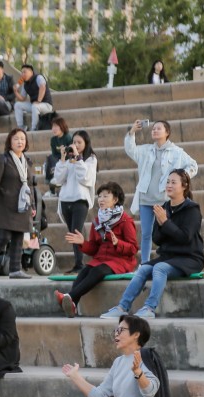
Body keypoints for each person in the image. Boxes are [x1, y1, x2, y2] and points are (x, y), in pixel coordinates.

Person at [101, 170, 203, 319]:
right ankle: (122, 307)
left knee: (160, 269)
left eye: (173, 182)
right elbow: (157, 238)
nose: (169, 185)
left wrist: (166, 223)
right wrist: (163, 223)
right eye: (167, 182)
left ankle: (149, 308)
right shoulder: (164, 207)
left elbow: (185, 238)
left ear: (184, 186)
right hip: (169, 256)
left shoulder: (192, 209)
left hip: (189, 258)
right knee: (143, 269)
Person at [56, 182, 138, 318]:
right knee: (84, 271)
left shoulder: (125, 221)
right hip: (101, 259)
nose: (101, 199)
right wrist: (83, 243)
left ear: (115, 200)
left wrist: (118, 243)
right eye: (99, 196)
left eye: (106, 196)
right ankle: (72, 303)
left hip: (120, 260)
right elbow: (94, 249)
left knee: (98, 271)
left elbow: (133, 248)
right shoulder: (97, 221)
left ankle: (69, 297)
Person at [124, 119, 198, 261]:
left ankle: (167, 258)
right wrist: (132, 132)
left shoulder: (176, 152)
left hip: (164, 200)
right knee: (146, 233)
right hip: (145, 198)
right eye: (153, 129)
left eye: (158, 128)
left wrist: (181, 178)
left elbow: (193, 165)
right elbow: (130, 150)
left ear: (167, 132)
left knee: (166, 230)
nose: (155, 131)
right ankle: (144, 263)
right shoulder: (146, 150)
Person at [0, 128, 35, 279]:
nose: (20, 142)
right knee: (4, 235)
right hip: (4, 203)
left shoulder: (27, 161)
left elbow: (30, 186)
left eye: (22, 139)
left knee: (18, 235)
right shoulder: (2, 159)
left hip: (22, 204)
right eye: (16, 139)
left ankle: (15, 269)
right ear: (10, 141)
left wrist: (33, 206)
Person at [53, 129, 98, 273]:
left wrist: (78, 158)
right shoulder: (69, 159)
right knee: (71, 233)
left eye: (79, 142)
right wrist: (62, 159)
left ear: (86, 143)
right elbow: (58, 180)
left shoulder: (90, 159)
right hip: (66, 200)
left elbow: (85, 178)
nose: (76, 145)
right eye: (74, 142)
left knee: (76, 232)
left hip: (80, 200)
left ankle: (80, 264)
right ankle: (77, 264)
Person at [13, 64, 54, 132]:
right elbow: (22, 98)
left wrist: (38, 101)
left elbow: (42, 87)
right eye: (22, 72)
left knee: (35, 106)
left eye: (24, 72)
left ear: (31, 72)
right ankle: (21, 127)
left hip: (46, 105)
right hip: (34, 106)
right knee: (17, 105)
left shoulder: (39, 77)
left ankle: (34, 128)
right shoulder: (25, 84)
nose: (23, 74)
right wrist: (16, 92)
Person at [45, 117, 73, 194]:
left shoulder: (68, 137)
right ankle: (51, 182)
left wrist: (63, 154)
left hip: (68, 159)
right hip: (59, 158)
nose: (54, 129)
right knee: (50, 157)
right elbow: (54, 154)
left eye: (56, 126)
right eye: (53, 126)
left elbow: (71, 153)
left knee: (53, 160)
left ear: (62, 126)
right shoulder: (53, 140)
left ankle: (54, 181)